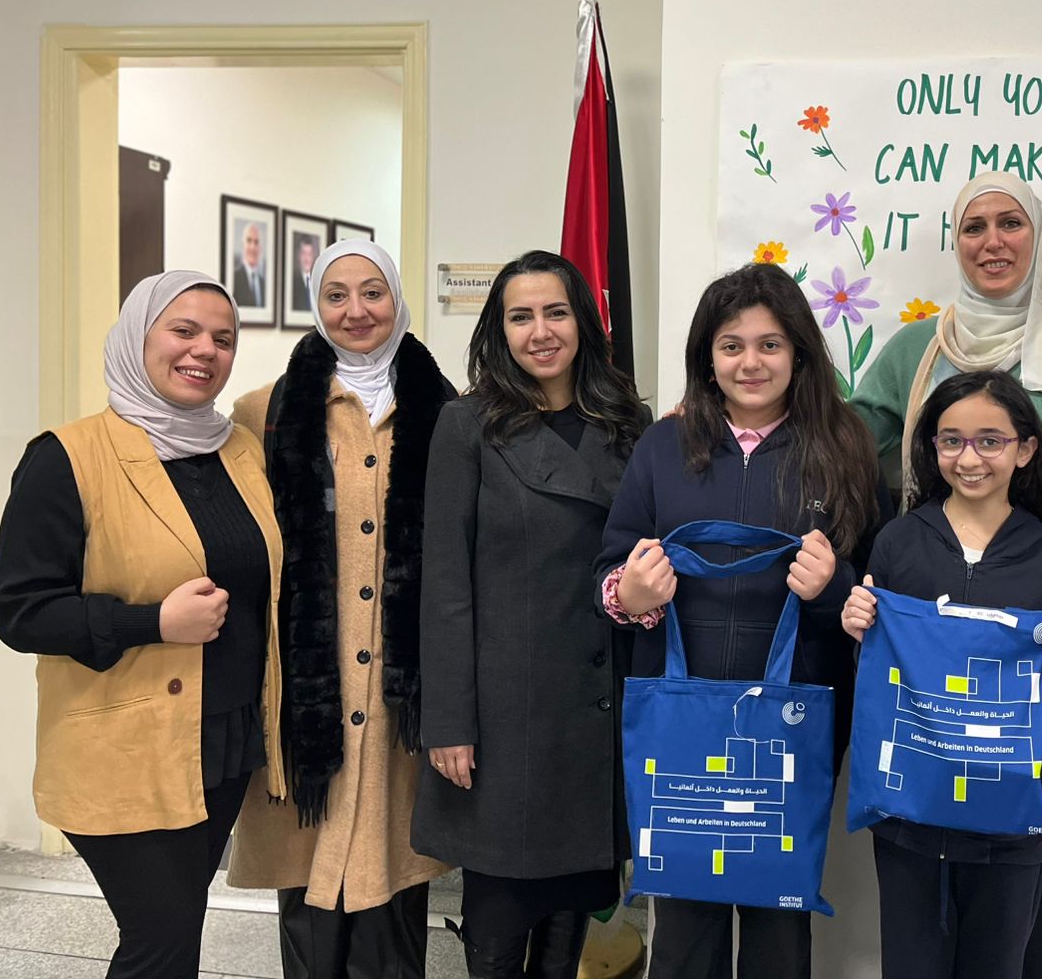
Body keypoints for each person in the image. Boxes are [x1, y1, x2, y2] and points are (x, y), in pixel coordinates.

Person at [850, 171, 1042, 975]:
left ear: (1039, 239)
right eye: (973, 227)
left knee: (1031, 880)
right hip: (928, 660)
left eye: (1012, 223)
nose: (992, 242)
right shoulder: (916, 349)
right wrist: (729, 414)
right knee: (920, 878)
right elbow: (843, 444)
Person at [593, 262, 885, 979]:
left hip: (793, 721)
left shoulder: (845, 445)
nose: (750, 363)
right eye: (732, 346)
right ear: (707, 357)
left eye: (769, 344)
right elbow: (606, 572)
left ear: (799, 354)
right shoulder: (663, 446)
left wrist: (833, 588)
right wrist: (630, 593)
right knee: (684, 922)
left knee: (778, 922)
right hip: (680, 717)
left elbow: (878, 593)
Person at [0, 271, 284, 979]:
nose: (204, 350)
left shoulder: (239, 450)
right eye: (183, 330)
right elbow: (20, 610)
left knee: (173, 937)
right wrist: (152, 621)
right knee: (160, 942)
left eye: (223, 338)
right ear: (136, 337)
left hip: (225, 741)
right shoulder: (67, 457)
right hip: (123, 749)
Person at [412, 250, 651, 978]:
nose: (540, 331)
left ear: (583, 322)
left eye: (556, 312)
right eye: (521, 316)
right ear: (500, 329)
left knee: (572, 901)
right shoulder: (467, 425)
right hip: (505, 712)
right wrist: (448, 722)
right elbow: (444, 584)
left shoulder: (628, 422)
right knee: (500, 906)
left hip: (595, 705)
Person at [225, 240, 456, 979]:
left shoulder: (449, 414)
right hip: (308, 699)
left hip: (399, 699)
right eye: (336, 295)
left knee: (395, 881)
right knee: (310, 886)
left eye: (372, 292)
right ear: (316, 306)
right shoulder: (263, 412)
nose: (356, 310)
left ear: (397, 300)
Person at [842, 369, 1042, 979]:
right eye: (951, 440)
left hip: (1010, 817)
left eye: (989, 441)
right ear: (931, 449)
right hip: (910, 813)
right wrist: (858, 632)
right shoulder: (898, 542)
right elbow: (878, 684)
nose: (968, 458)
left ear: (1025, 450)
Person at [233, 221, 268, 308]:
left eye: (256, 242)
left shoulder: (264, 283)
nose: (253, 247)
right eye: (249, 241)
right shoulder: (234, 277)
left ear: (260, 248)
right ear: (242, 245)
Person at [292, 234, 321, 313]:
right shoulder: (292, 281)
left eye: (309, 254)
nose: (307, 258)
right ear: (298, 255)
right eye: (303, 253)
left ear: (313, 256)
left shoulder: (318, 281)